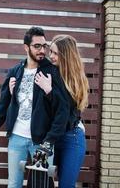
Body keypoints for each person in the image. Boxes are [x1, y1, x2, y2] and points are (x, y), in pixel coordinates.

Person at [0, 27, 70, 188]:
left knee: (41, 185)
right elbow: (3, 105)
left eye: (44, 46)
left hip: (42, 142)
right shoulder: (14, 72)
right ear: (26, 47)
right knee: (14, 184)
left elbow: (62, 110)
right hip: (16, 139)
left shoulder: (52, 72)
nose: (42, 50)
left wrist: (49, 140)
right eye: (37, 46)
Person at [35, 34, 88, 187]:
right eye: (50, 51)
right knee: (44, 183)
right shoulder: (52, 72)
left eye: (55, 53)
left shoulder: (76, 79)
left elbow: (64, 110)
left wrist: (49, 91)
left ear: (66, 56)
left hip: (72, 138)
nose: (51, 56)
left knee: (66, 185)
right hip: (53, 136)